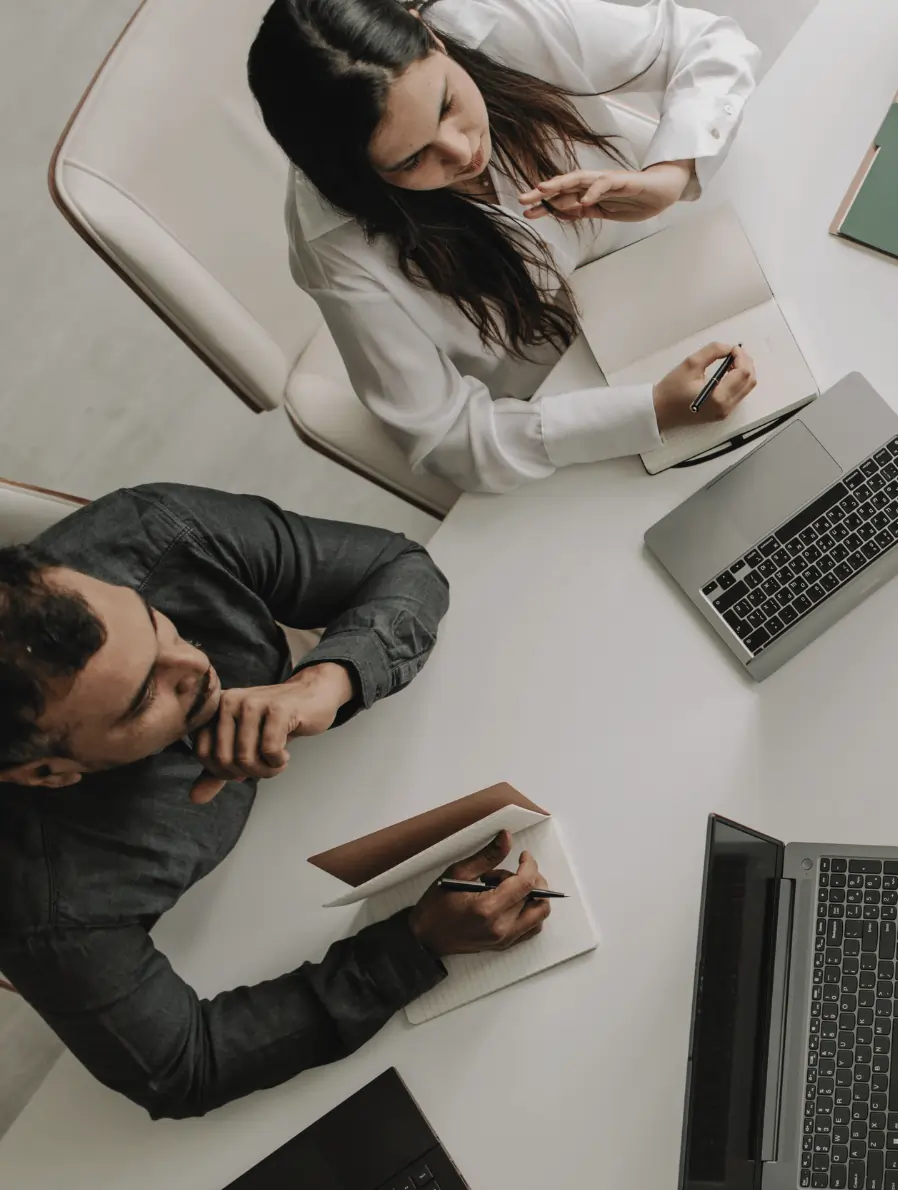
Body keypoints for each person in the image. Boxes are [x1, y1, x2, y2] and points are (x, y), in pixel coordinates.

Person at [0, 485, 551, 1119]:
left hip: (378, 772)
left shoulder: (153, 534)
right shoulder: (41, 905)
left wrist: (327, 679)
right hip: (224, 925)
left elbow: (399, 567)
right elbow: (186, 1066)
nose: (197, 663)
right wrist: (416, 944)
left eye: (156, 623)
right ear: (47, 772)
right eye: (143, 698)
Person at [248, 0, 763, 493]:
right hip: (581, 392)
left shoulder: (483, 22)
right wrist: (649, 411)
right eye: (410, 160)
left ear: (430, 37)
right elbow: (446, 436)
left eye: (447, 104)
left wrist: (669, 176)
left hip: (696, 271)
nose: (461, 150)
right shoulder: (333, 246)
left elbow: (704, 41)